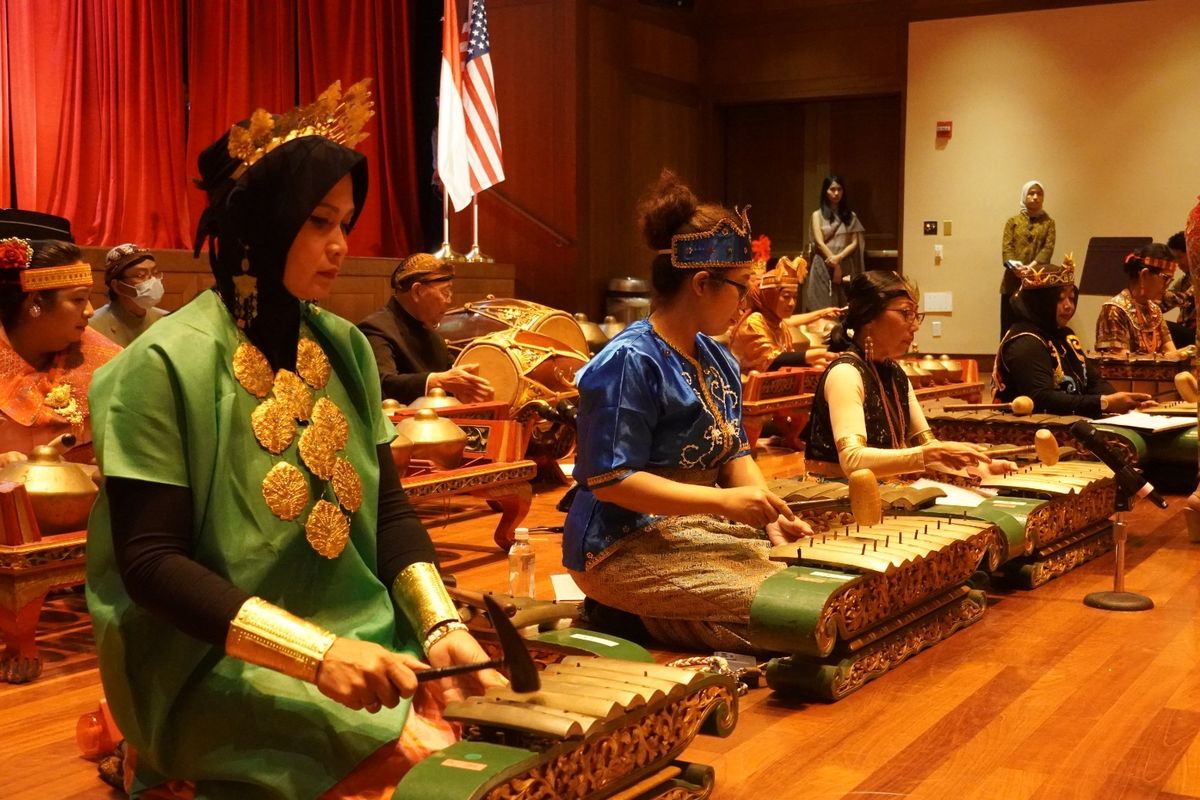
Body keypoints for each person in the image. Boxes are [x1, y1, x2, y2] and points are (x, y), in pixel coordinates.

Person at [86, 80, 500, 799]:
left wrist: (440, 627)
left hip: (366, 637)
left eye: (345, 222)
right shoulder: (159, 366)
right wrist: (317, 654)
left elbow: (389, 512)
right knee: (422, 773)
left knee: (486, 737)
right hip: (210, 659)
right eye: (318, 221)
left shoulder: (344, 346)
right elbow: (151, 565)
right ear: (261, 222)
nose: (340, 245)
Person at [563, 170, 811, 653]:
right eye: (741, 287)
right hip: (617, 548)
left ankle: (651, 618)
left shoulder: (717, 356)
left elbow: (734, 452)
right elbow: (610, 480)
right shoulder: (628, 360)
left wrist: (768, 515)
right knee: (792, 612)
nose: (747, 303)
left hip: (688, 529)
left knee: (811, 583)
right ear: (701, 283)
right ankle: (619, 613)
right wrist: (723, 504)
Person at [804, 271, 1012, 480]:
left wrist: (979, 469)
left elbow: (927, 445)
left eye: (915, 315)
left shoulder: (896, 374)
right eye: (906, 313)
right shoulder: (845, 373)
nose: (915, 326)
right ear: (869, 317)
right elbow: (852, 460)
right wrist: (930, 454)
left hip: (886, 489)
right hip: (836, 494)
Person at [0, 236, 120, 462]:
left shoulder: (107, 362)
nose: (90, 311)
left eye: (89, 298)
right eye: (78, 299)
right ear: (36, 301)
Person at [994, 260, 1151, 417]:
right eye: (1060, 299)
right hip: (1031, 426)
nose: (1068, 306)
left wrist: (1129, 405)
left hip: (1067, 420)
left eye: (1071, 298)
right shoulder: (1025, 342)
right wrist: (1104, 403)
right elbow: (1042, 399)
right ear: (1040, 302)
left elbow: (1093, 382)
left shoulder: (1065, 335)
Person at [358, 253, 493, 404]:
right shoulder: (375, 328)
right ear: (417, 291)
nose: (449, 300)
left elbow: (452, 378)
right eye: (445, 292)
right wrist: (437, 381)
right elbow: (382, 384)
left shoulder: (432, 334)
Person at [729, 255, 838, 374]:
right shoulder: (754, 322)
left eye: (794, 297)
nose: (791, 303)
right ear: (770, 296)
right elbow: (772, 361)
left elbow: (787, 361)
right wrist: (817, 354)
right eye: (786, 297)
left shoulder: (780, 325)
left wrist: (813, 362)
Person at [1095, 243, 1184, 357]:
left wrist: (1186, 353)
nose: (1167, 286)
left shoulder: (1155, 311)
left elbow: (1171, 352)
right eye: (1165, 278)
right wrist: (1172, 356)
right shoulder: (1114, 310)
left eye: (1171, 280)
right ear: (1144, 274)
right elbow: (1122, 362)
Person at [1001, 180, 1056, 336]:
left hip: (1037, 282)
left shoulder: (1049, 223)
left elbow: (1048, 248)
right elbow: (1007, 248)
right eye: (1031, 193)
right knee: (1009, 327)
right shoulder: (1012, 222)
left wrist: (1031, 268)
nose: (1035, 197)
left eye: (1039, 194)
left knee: (1035, 328)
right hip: (1012, 281)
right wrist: (1016, 268)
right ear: (1024, 196)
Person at [803, 175, 866, 312]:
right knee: (821, 307)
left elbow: (854, 243)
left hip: (844, 263)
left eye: (839, 189)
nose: (836, 193)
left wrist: (838, 258)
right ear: (825, 191)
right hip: (823, 263)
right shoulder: (817, 215)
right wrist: (835, 264)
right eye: (832, 189)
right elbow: (819, 242)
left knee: (845, 306)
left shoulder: (851, 216)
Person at [89, 243, 169, 346]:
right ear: (117, 286)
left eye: (155, 272)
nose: (152, 280)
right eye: (140, 275)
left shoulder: (165, 319)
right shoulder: (93, 327)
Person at [1160, 231, 1194, 349]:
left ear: (1192, 254)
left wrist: (1168, 295)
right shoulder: (1184, 280)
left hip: (1196, 334)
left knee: (1164, 327)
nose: (1177, 263)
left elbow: (1185, 298)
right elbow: (1163, 304)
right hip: (1187, 331)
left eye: (1179, 257)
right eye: (1174, 258)